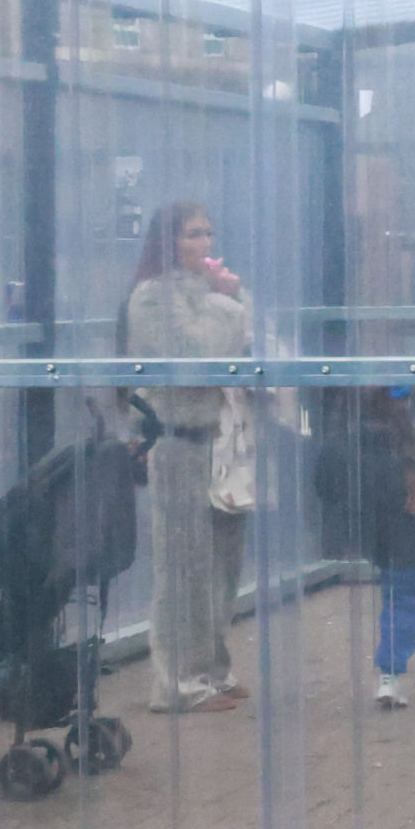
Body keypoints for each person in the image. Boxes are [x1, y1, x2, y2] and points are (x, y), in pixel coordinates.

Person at [120, 201, 255, 714]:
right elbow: (201, 354)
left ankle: (213, 670)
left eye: (209, 233)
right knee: (182, 568)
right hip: (178, 440)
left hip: (220, 436)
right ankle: (177, 683)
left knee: (221, 565)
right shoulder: (153, 297)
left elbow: (247, 346)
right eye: (194, 235)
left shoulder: (210, 293)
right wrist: (230, 303)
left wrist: (231, 298)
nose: (206, 245)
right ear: (168, 243)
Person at [314, 387, 415, 708]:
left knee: (397, 591)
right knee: (405, 599)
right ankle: (390, 674)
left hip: (358, 531)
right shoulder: (408, 446)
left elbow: (322, 483)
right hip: (405, 536)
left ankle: (390, 673)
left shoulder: (340, 443)